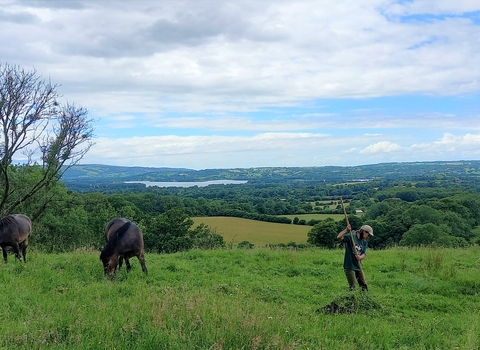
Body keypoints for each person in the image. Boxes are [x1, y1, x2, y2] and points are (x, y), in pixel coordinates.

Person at [337, 224, 374, 291]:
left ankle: (364, 299)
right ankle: (352, 300)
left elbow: (364, 253)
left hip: (358, 266)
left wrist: (360, 257)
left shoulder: (364, 242)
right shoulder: (351, 236)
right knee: (353, 287)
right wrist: (346, 230)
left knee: (364, 286)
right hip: (349, 266)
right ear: (364, 231)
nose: (368, 237)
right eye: (368, 235)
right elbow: (339, 237)